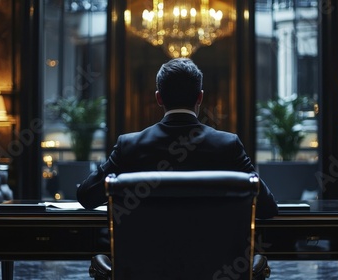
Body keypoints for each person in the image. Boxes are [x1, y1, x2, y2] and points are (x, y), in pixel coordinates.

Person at [77, 58, 278, 219]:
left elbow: (87, 196)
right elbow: (267, 208)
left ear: (158, 98)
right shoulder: (228, 145)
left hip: (145, 266)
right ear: (200, 97)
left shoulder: (129, 146)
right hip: (211, 265)